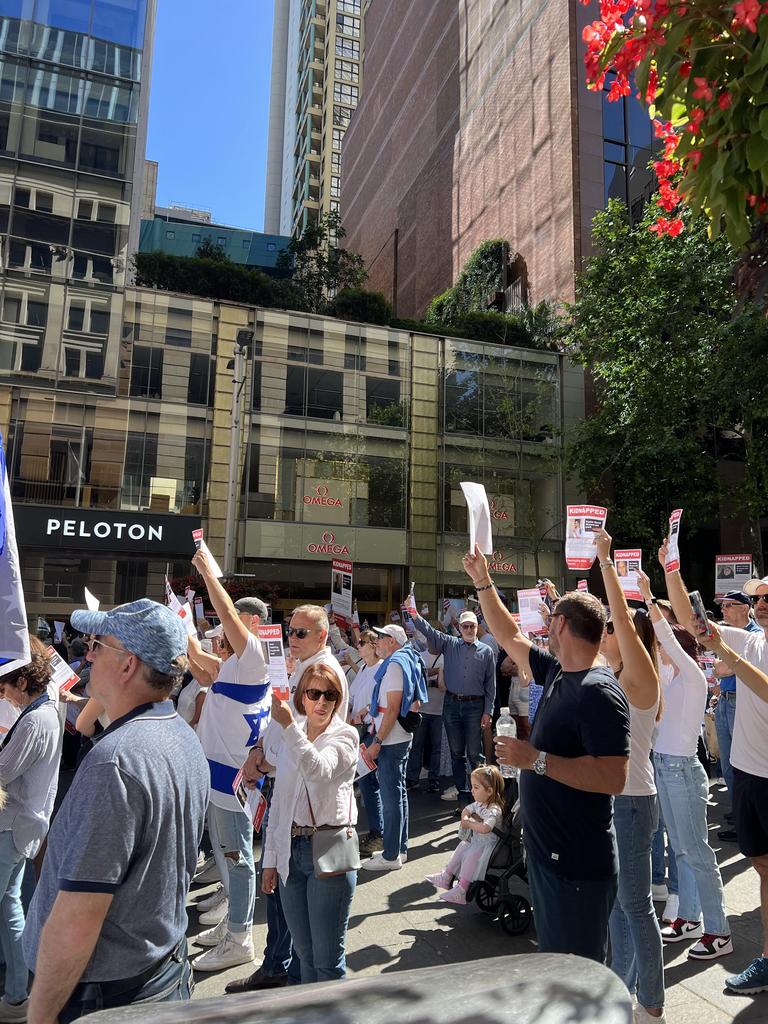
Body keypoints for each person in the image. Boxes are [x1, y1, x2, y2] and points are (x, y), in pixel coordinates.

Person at [23, 599, 209, 1024]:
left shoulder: (116, 763)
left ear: (127, 666)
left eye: (96, 645)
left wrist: (40, 1015)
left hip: (102, 998)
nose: (87, 655)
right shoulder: (179, 734)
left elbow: (78, 916)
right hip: (156, 973)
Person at [463, 544, 630, 964]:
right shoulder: (559, 671)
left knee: (577, 980)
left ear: (559, 624)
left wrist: (534, 759)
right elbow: (509, 635)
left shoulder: (599, 691)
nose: (542, 625)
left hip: (575, 864)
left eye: (548, 618)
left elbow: (614, 778)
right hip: (547, 854)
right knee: (558, 975)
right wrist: (482, 580)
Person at [225, 605, 347, 994]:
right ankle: (290, 982)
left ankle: (294, 982)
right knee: (307, 948)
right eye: (290, 631)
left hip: (327, 832)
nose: (291, 639)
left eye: (300, 633)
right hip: (290, 818)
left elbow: (313, 759)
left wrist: (268, 758)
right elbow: (276, 722)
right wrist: (260, 749)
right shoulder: (298, 667)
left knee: (325, 958)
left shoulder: (325, 675)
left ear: (323, 636)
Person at [663, 556, 768, 993]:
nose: (760, 602)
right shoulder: (750, 640)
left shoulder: (741, 647)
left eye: (766, 597)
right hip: (747, 773)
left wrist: (724, 651)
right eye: (759, 597)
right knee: (762, 866)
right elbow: (690, 620)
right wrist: (671, 567)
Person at [641, 564, 732, 963]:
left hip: (682, 771)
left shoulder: (692, 674)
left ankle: (719, 930)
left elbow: (663, 638)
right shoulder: (664, 675)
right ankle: (690, 920)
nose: (658, 652)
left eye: (663, 648)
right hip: (663, 766)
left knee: (697, 852)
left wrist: (648, 596)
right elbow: (640, 649)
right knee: (679, 848)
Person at [189, 548, 271, 972]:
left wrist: (207, 573)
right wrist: (182, 625)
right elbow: (200, 666)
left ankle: (241, 937)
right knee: (227, 854)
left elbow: (223, 609)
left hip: (234, 777)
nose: (222, 635)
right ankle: (233, 924)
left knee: (237, 858)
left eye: (230, 627)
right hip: (220, 774)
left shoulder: (254, 655)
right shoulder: (233, 665)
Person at [596, 533, 665, 1024]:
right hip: (619, 798)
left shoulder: (639, 670)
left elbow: (620, 616)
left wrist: (605, 561)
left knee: (637, 907)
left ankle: (653, 1006)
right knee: (620, 906)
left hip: (635, 800)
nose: (602, 632)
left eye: (608, 628)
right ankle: (620, 988)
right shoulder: (614, 669)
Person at [260, 662, 359, 983]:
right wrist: (271, 861)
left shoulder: (346, 735)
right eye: (314, 693)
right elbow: (280, 804)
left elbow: (320, 770)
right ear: (301, 696)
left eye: (330, 695)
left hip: (330, 846)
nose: (322, 702)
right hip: (291, 848)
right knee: (304, 958)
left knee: (327, 963)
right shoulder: (296, 733)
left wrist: (289, 728)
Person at [0, 638, 61, 1023]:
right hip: (21, 826)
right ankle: (17, 995)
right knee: (9, 905)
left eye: (4, 686)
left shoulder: (37, 719)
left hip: (13, 826)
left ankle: (18, 996)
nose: (4, 694)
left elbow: (3, 773)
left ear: (23, 682)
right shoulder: (43, 710)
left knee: (11, 906)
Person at [409, 608, 495, 802]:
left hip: (475, 705)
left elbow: (491, 684)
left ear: (477, 627)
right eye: (465, 626)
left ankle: (479, 797)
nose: (469, 629)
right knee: (457, 752)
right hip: (452, 704)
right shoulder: (450, 644)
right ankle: (464, 795)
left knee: (474, 753)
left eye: (472, 626)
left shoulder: (487, 651)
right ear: (460, 628)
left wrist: (488, 711)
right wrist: (413, 613)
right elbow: (429, 631)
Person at [360, 625, 426, 872]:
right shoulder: (402, 660)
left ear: (392, 641)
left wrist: (377, 742)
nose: (376, 641)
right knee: (397, 794)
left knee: (391, 797)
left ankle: (390, 855)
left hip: (391, 738)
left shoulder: (395, 664)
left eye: (381, 638)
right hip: (398, 735)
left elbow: (393, 707)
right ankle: (399, 849)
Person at [710, 591, 761, 842]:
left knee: (740, 766)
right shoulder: (730, 634)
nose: (723, 611)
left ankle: (744, 822)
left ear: (744, 608)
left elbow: (722, 668)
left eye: (728, 606)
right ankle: (738, 813)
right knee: (729, 766)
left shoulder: (756, 634)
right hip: (726, 701)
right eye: (722, 607)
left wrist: (724, 669)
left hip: (741, 703)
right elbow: (720, 670)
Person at [425, 765, 504, 904]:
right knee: (461, 849)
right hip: (477, 840)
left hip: (488, 844)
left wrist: (469, 824)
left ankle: (462, 889)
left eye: (476, 787)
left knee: (470, 857)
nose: (472, 791)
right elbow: (466, 809)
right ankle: (446, 876)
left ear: (489, 791)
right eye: (472, 787)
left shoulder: (493, 810)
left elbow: (486, 827)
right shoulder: (479, 803)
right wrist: (465, 817)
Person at [348, 630, 385, 853]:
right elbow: (352, 698)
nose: (358, 645)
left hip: (371, 730)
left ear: (373, 645)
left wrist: (361, 712)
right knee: (365, 782)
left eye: (362, 642)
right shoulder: (362, 668)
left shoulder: (381, 669)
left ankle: (378, 833)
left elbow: (381, 700)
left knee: (368, 782)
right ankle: (375, 831)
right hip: (357, 730)